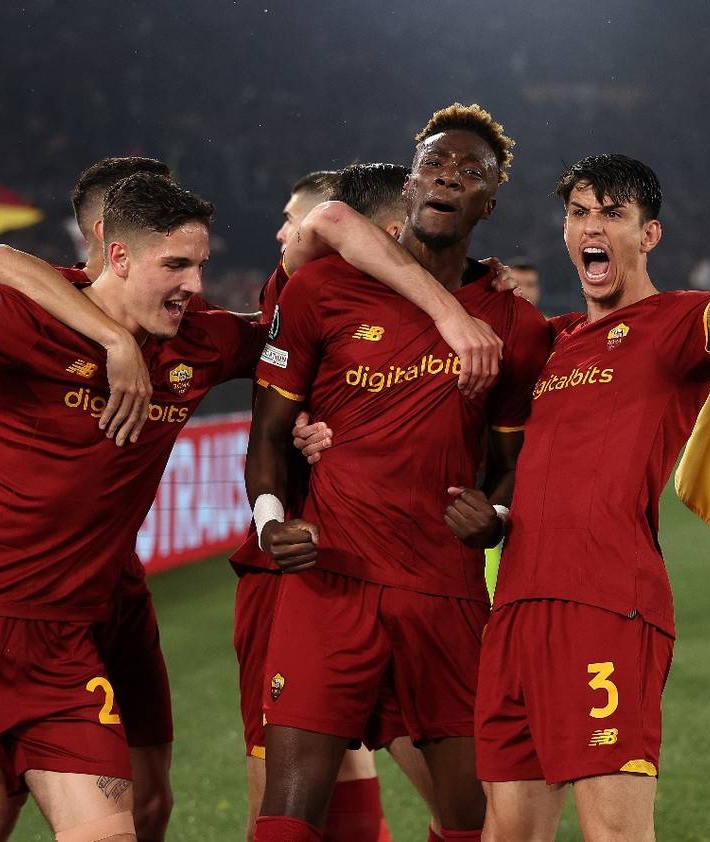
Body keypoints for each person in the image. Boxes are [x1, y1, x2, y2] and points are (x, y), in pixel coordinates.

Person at [0, 173, 259, 842]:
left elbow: (305, 342)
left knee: (122, 825)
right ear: (118, 255)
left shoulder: (200, 342)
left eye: (200, 265)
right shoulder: (25, 317)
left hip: (63, 645)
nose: (194, 284)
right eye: (176, 265)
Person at [474, 142, 710, 841]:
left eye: (613, 213)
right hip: (514, 610)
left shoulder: (675, 323)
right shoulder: (552, 342)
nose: (592, 226)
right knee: (507, 832)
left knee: (615, 831)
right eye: (579, 213)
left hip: (608, 604)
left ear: (649, 234)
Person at [245, 103, 551, 842]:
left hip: (444, 593)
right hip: (330, 582)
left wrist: (494, 517)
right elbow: (269, 434)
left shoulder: (517, 326)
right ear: (409, 185)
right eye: (434, 165)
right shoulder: (321, 291)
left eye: (470, 172)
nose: (448, 178)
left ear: (489, 202)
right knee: (286, 818)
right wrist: (270, 521)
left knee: (472, 822)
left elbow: (513, 465)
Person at [0, 155, 187, 842]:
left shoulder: (184, 322)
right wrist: (113, 339)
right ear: (112, 234)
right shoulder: (40, 302)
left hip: (116, 590)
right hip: (26, 599)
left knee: (150, 798)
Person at [231, 162, 446, 842]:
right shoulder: (298, 293)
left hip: (391, 574)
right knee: (289, 785)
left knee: (446, 782)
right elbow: (325, 225)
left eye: (292, 219)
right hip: (294, 567)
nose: (284, 233)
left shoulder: (421, 310)